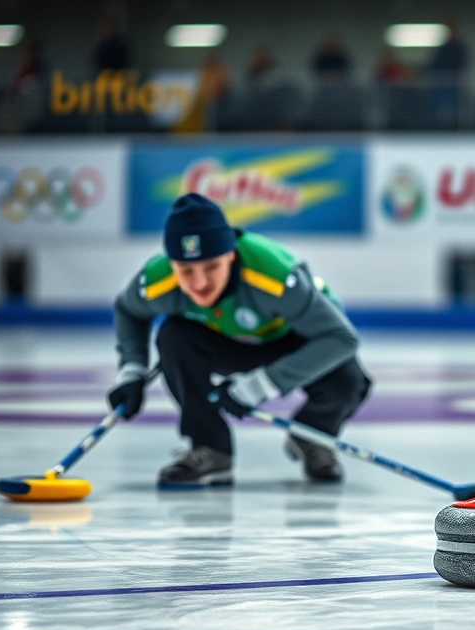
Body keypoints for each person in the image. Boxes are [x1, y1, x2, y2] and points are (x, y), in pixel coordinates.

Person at [108, 194, 371, 487]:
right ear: (172, 264)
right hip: (227, 341)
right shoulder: (158, 280)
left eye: (211, 267)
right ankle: (210, 447)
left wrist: (259, 386)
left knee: (348, 381)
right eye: (185, 270)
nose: (199, 283)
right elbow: (128, 310)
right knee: (173, 335)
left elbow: (341, 337)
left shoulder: (274, 276)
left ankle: (312, 435)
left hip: (295, 339)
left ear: (230, 255)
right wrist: (132, 370)